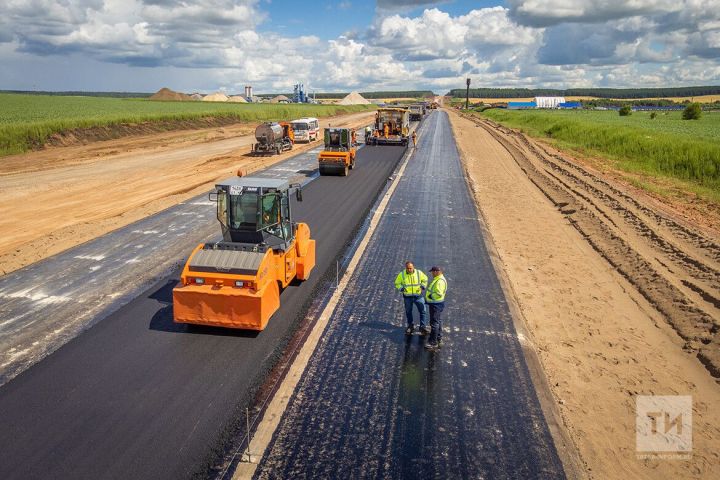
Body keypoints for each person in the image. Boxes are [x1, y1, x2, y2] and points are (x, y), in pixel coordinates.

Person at [394, 261, 428, 335]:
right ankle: (410, 326)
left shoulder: (419, 273)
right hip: (407, 297)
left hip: (418, 296)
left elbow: (425, 279)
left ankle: (422, 326)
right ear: (405, 268)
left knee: (422, 311)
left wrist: (422, 286)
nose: (409, 270)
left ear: (413, 267)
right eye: (408, 268)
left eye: (410, 268)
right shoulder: (402, 274)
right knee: (408, 312)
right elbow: (397, 283)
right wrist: (401, 289)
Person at [424, 266, 448, 350]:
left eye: (432, 272)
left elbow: (438, 293)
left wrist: (430, 296)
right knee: (438, 321)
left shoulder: (440, 281)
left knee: (434, 323)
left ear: (437, 271)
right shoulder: (439, 279)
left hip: (436, 304)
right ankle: (438, 337)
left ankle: (433, 342)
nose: (432, 274)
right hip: (437, 304)